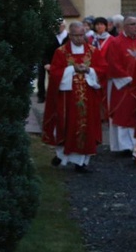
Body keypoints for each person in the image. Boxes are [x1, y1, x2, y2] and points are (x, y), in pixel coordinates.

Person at [42, 22, 106, 173]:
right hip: (67, 98)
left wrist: (89, 70)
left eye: (81, 35)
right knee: (66, 125)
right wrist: (72, 69)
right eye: (76, 35)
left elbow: (103, 70)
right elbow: (55, 73)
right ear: (70, 35)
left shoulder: (93, 51)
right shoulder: (61, 52)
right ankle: (61, 156)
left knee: (87, 127)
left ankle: (82, 162)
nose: (79, 38)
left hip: (88, 97)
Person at [106, 16, 136, 156]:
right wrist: (128, 79)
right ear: (125, 26)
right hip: (122, 85)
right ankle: (123, 146)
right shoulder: (116, 42)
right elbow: (113, 63)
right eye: (132, 24)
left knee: (134, 115)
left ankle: (134, 145)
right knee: (123, 114)